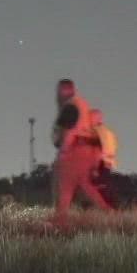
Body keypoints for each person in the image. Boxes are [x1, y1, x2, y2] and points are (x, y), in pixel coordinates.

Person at [51, 78, 111, 220]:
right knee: (86, 187)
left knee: (63, 185)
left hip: (74, 151)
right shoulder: (83, 104)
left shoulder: (70, 106)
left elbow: (69, 131)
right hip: (86, 152)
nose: (58, 94)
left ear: (66, 90)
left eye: (60, 91)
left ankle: (60, 219)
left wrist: (63, 152)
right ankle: (110, 214)